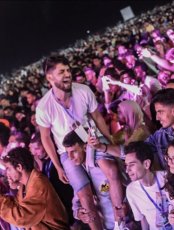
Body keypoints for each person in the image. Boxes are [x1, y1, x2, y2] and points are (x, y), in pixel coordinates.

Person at [36, 55, 122, 229]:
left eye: (68, 70)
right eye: (62, 72)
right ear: (50, 78)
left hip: (91, 141)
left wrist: (109, 140)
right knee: (85, 197)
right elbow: (46, 138)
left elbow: (97, 116)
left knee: (111, 170)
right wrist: (58, 166)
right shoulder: (44, 107)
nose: (68, 74)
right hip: (68, 152)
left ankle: (120, 220)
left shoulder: (83, 90)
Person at [0, 147, 69, 230]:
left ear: (19, 167)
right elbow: (17, 205)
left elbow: (22, 218)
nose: (6, 173)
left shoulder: (38, 184)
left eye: (9, 169)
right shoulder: (25, 185)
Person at [62, 130, 116, 230]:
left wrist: (101, 191)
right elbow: (76, 202)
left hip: (123, 221)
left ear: (84, 147)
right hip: (104, 225)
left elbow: (113, 182)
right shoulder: (80, 173)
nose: (70, 158)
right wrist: (79, 213)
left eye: (74, 151)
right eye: (67, 153)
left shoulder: (99, 159)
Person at [125, 141, 172, 230]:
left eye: (131, 165)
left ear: (146, 164)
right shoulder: (131, 191)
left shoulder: (167, 178)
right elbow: (143, 219)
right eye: (126, 165)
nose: (127, 170)